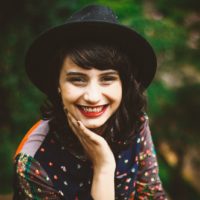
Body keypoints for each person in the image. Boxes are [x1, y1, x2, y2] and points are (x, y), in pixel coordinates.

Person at [13, 4, 167, 200]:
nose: (93, 96)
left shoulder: (135, 123)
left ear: (124, 84)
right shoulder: (33, 163)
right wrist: (103, 169)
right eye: (77, 79)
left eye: (107, 78)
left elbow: (153, 195)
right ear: (57, 84)